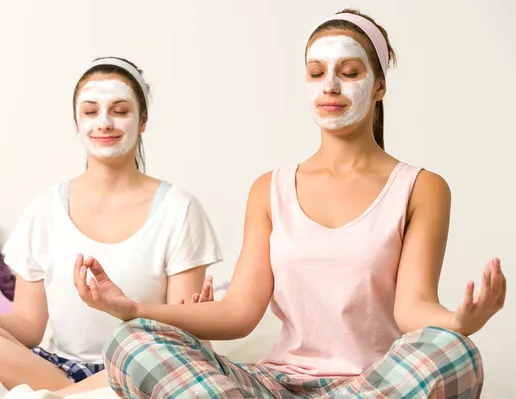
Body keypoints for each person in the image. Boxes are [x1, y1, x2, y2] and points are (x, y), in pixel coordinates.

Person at [72, 10, 506, 399]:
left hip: (376, 383)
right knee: (130, 342)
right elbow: (241, 312)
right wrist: (132, 309)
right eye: (316, 73)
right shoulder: (270, 188)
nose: (330, 86)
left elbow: (412, 307)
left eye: (349, 72)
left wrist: (459, 322)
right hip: (274, 385)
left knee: (455, 353)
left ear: (379, 87)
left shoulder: (421, 187)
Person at [0, 56, 222, 394]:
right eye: (91, 111)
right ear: (77, 121)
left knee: (172, 353)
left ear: (143, 120)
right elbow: (29, 329)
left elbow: (178, 331)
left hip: (143, 363)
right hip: (60, 368)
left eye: (119, 111)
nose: (104, 122)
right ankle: (76, 393)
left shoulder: (179, 209)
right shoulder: (45, 208)